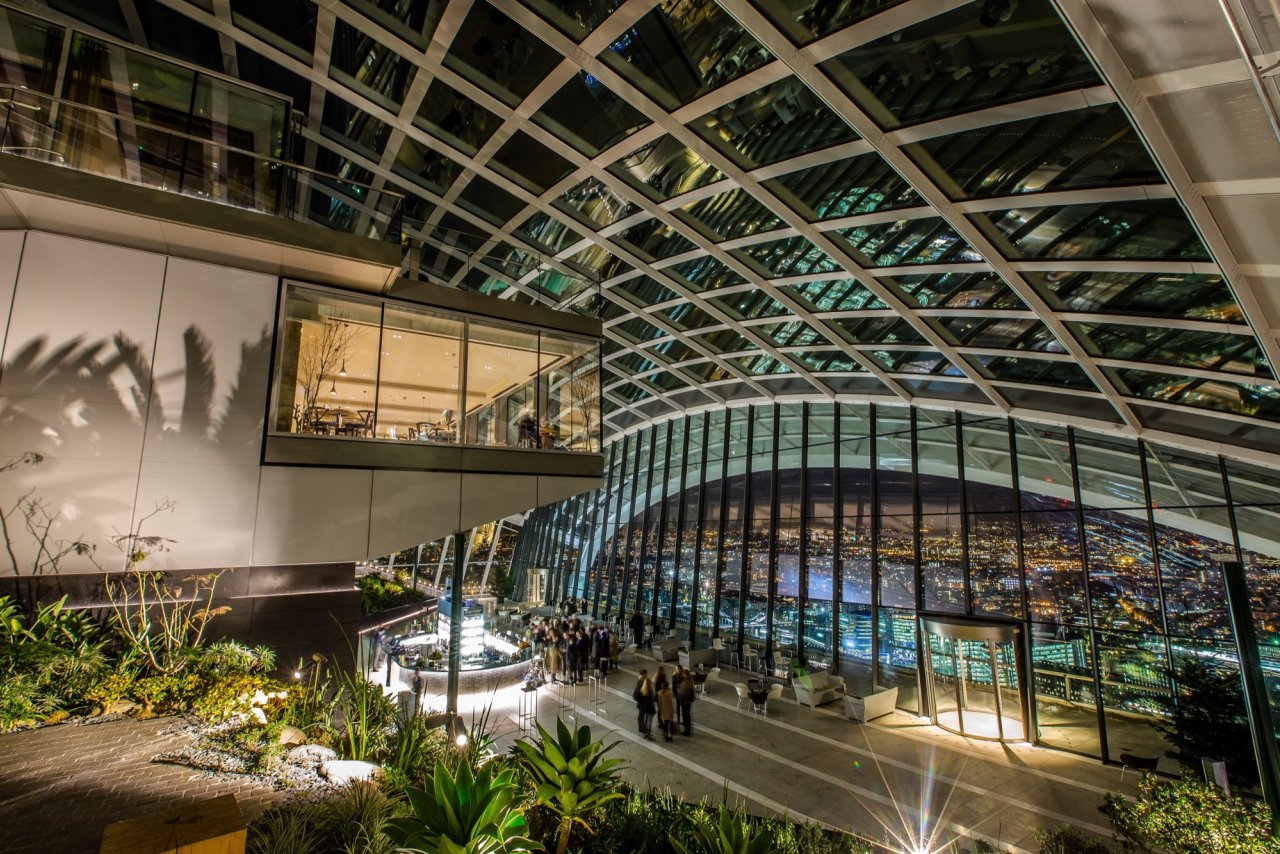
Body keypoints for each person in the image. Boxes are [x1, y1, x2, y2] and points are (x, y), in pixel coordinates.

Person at [633, 669, 655, 740]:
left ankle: (643, 730)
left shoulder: (641, 682)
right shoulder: (641, 683)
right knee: (644, 718)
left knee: (643, 717)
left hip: (642, 705)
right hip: (645, 705)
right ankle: (644, 731)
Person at [676, 664, 696, 735]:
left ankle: (687, 731)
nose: (682, 675)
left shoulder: (686, 682)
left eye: (683, 674)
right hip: (688, 700)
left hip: (686, 701)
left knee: (686, 715)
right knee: (687, 715)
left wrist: (679, 690)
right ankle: (687, 729)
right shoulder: (689, 680)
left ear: (685, 674)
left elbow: (683, 691)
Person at [656, 673, 675, 742]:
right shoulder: (669, 694)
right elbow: (670, 704)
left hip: (663, 712)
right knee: (669, 725)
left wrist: (660, 712)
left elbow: (659, 704)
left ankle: (664, 736)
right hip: (668, 712)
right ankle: (669, 737)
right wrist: (672, 712)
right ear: (667, 687)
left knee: (664, 725)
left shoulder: (659, 693)